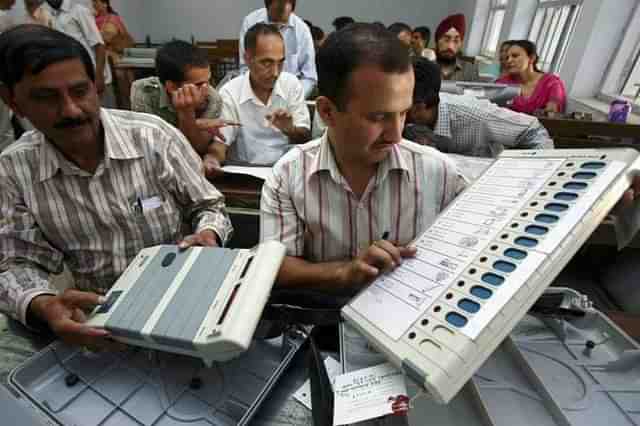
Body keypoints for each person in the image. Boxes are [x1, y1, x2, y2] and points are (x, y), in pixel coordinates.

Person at [0, 25, 232, 349]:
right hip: (102, 323)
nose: (71, 110)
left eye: (80, 91)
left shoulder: (153, 137)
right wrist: (43, 304)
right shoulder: (13, 171)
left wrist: (208, 235)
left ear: (96, 86)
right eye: (46, 97)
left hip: (186, 299)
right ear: (13, 100)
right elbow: (15, 263)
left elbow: (208, 206)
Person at [260, 23, 465, 294]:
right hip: (320, 324)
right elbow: (275, 267)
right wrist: (345, 272)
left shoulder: (441, 174)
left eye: (403, 113)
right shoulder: (287, 177)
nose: (396, 134)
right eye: (378, 117)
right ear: (327, 112)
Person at [404, 58, 554, 157]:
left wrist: (531, 174)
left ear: (418, 108)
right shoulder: (410, 119)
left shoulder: (475, 115)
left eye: (399, 108)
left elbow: (533, 130)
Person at [130, 40, 228, 178]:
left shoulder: (213, 99)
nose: (207, 90)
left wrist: (186, 113)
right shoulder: (144, 91)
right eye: (199, 85)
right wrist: (197, 124)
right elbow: (150, 147)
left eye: (209, 81)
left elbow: (195, 150)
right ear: (172, 87)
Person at [218, 23, 311, 166]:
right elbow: (220, 144)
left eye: (280, 63)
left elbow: (305, 139)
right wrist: (212, 159)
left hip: (284, 174)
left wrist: (290, 130)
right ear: (247, 59)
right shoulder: (230, 92)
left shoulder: (291, 84)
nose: (275, 73)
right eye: (266, 63)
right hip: (243, 177)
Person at [239, 0, 317, 98]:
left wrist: (294, 97)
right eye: (275, 20)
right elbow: (245, 67)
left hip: (291, 95)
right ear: (267, 7)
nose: (279, 27)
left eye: (284, 22)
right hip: (256, 92)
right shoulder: (250, 22)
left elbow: (309, 76)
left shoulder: (302, 29)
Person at [44, 0, 113, 106]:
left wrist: (99, 76)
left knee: (106, 117)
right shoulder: (52, 15)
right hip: (78, 79)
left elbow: (99, 45)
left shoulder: (79, 11)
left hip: (96, 76)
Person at [497, 40, 567, 115]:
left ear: (531, 58)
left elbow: (551, 114)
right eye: (507, 57)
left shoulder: (552, 83)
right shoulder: (502, 83)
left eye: (515, 56)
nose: (509, 60)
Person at [435, 13, 480, 81]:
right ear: (437, 41)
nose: (450, 47)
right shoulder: (423, 68)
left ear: (461, 44)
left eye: (456, 41)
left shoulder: (470, 71)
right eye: (446, 40)